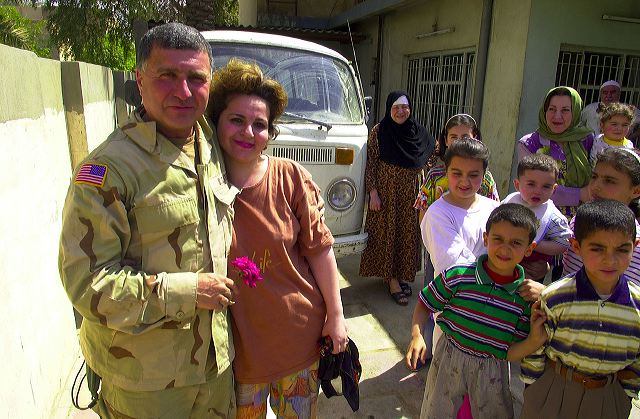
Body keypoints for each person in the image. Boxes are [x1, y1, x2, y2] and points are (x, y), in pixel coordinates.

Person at [58, 23, 238, 418]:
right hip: (147, 384)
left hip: (215, 368)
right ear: (140, 80)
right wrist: (188, 292)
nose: (184, 91)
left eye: (196, 78)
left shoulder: (214, 145)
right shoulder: (110, 171)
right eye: (167, 76)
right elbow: (87, 285)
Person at [208, 59, 348, 418]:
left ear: (270, 132)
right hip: (239, 358)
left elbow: (320, 252)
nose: (248, 132)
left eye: (260, 124)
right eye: (236, 120)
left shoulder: (290, 178)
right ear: (216, 121)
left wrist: (336, 316)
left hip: (299, 346)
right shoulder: (200, 185)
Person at [407, 203, 548, 418]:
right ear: (486, 238)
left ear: (529, 249)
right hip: (447, 363)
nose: (504, 248)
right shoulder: (459, 276)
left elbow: (509, 352)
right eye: (498, 239)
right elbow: (425, 303)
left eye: (516, 243)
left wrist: (534, 341)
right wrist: (417, 335)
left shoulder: (524, 300)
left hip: (492, 376)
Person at [520, 200, 640, 419]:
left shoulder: (637, 305)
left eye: (622, 249)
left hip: (608, 396)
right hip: (555, 390)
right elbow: (537, 348)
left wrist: (626, 395)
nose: (610, 260)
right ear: (576, 247)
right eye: (597, 248)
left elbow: (637, 362)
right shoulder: (555, 297)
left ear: (635, 245)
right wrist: (535, 389)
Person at [359, 91, 436, 306]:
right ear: (388, 109)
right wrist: (373, 192)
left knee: (407, 234)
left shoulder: (417, 131)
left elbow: (432, 150)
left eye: (404, 107)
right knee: (389, 233)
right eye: (396, 107)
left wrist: (422, 170)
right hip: (387, 194)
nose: (401, 111)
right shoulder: (379, 131)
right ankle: (391, 280)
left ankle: (400, 274)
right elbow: (371, 162)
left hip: (411, 196)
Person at [563, 147, 640, 284]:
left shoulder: (633, 241)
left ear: (636, 191)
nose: (595, 186)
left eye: (609, 181)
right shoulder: (579, 220)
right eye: (594, 177)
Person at [517, 86, 595, 220]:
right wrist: (580, 194)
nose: (557, 116)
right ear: (544, 111)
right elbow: (530, 187)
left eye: (565, 110)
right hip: (541, 217)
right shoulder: (530, 143)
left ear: (575, 112)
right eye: (552, 109)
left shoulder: (587, 140)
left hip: (582, 218)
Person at [414, 113, 500, 222]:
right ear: (445, 140)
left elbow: (495, 213)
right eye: (453, 137)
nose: (459, 142)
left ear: (475, 138)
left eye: (465, 137)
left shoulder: (485, 178)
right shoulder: (434, 176)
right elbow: (424, 212)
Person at [502, 154, 572, 282]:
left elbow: (564, 243)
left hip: (530, 272)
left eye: (546, 186)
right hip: (501, 261)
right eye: (531, 184)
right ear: (517, 185)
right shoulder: (510, 201)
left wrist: (535, 244)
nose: (538, 191)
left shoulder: (553, 217)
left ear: (554, 189)